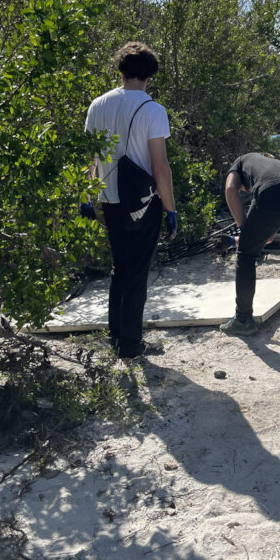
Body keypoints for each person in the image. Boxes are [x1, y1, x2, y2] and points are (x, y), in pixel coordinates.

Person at [84, 41, 177, 361]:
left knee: (119, 268)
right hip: (141, 203)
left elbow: (91, 160)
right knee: (137, 273)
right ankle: (131, 344)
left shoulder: (97, 105)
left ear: (121, 69)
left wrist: (88, 197)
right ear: (150, 73)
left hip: (109, 200)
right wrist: (170, 209)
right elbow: (160, 167)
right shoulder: (153, 110)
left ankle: (115, 335)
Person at [220, 153, 280, 336]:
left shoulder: (238, 163)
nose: (245, 191)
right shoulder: (271, 165)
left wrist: (243, 228)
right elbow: (267, 233)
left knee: (245, 254)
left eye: (244, 190)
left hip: (271, 192)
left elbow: (230, 190)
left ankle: (243, 320)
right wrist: (260, 232)